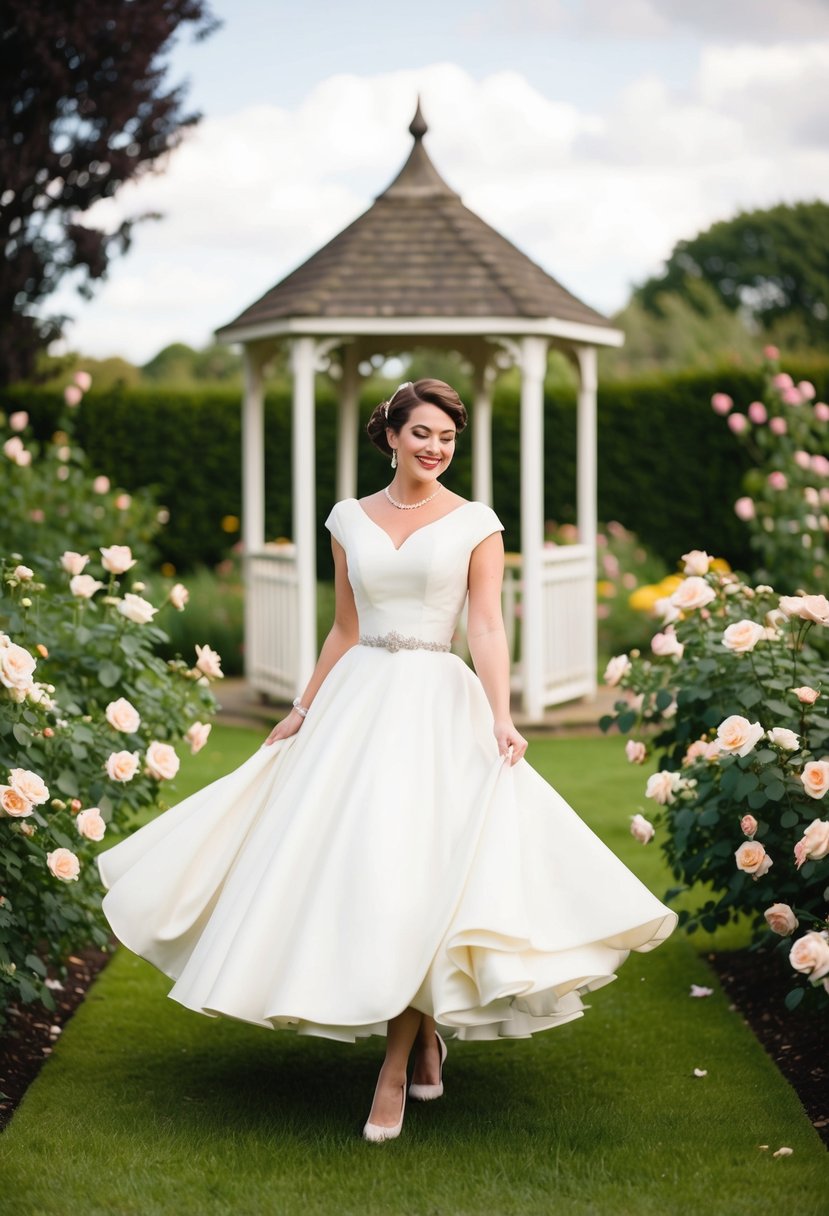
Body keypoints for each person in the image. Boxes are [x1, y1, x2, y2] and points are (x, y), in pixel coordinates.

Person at [98, 378, 676, 1144]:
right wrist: (302, 708)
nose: (435, 448)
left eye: (447, 437)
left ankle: (394, 1067)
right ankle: (422, 1033)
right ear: (392, 436)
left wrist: (501, 717)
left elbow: (486, 628)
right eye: (422, 434)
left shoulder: (476, 523)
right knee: (370, 875)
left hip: (439, 705)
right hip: (358, 702)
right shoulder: (347, 519)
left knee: (427, 874)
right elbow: (342, 628)